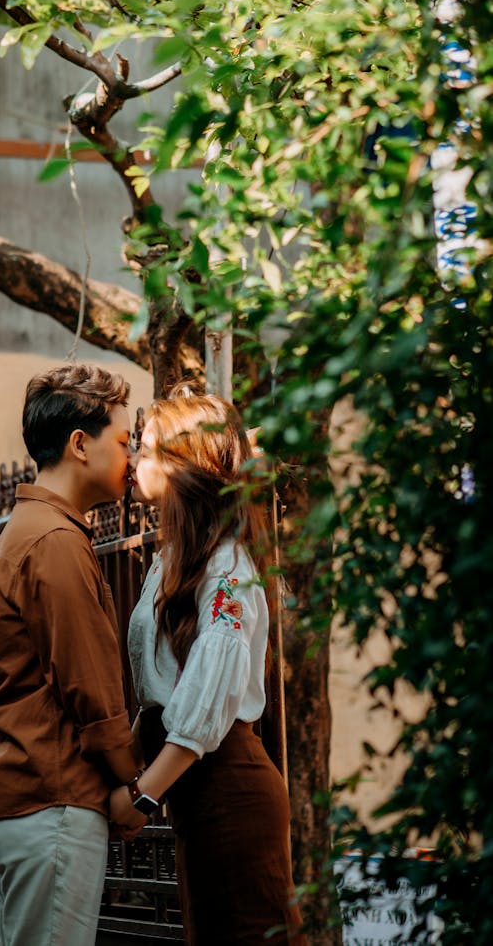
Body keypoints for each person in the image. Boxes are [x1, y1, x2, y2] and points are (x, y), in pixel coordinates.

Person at [110, 389, 305, 945]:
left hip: (229, 794)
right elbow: (163, 692)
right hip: (197, 799)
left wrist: (144, 796)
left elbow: (200, 708)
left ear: (182, 467)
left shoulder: (226, 564)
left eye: (143, 450)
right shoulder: (177, 558)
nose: (131, 462)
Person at [0, 363, 142, 946]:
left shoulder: (26, 531)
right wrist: (135, 786)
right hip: (54, 802)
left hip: (29, 800)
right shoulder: (55, 542)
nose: (132, 455)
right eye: (122, 440)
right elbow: (92, 689)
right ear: (79, 444)